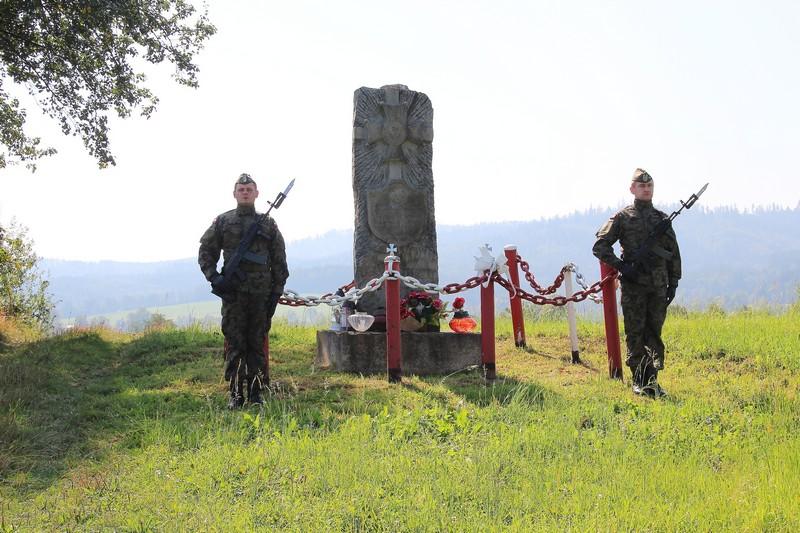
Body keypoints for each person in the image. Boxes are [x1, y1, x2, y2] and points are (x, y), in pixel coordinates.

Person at [198, 173, 289, 409]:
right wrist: (214, 277)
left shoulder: (268, 224)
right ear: (235, 194)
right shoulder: (223, 221)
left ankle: (256, 393)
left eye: (249, 189)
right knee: (235, 343)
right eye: (241, 189)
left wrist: (276, 292)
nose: (245, 192)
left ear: (257, 193)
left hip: (260, 295)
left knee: (257, 343)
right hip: (234, 295)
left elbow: (279, 260)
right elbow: (206, 251)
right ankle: (236, 394)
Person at [592, 168, 681, 398]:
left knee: (654, 333)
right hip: (634, 286)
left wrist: (673, 282)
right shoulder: (623, 217)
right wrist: (623, 267)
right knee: (635, 332)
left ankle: (652, 381)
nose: (646, 189)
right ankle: (639, 380)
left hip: (658, 286)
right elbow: (600, 246)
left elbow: (673, 253)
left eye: (649, 186)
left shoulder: (662, 219)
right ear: (632, 189)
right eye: (642, 186)